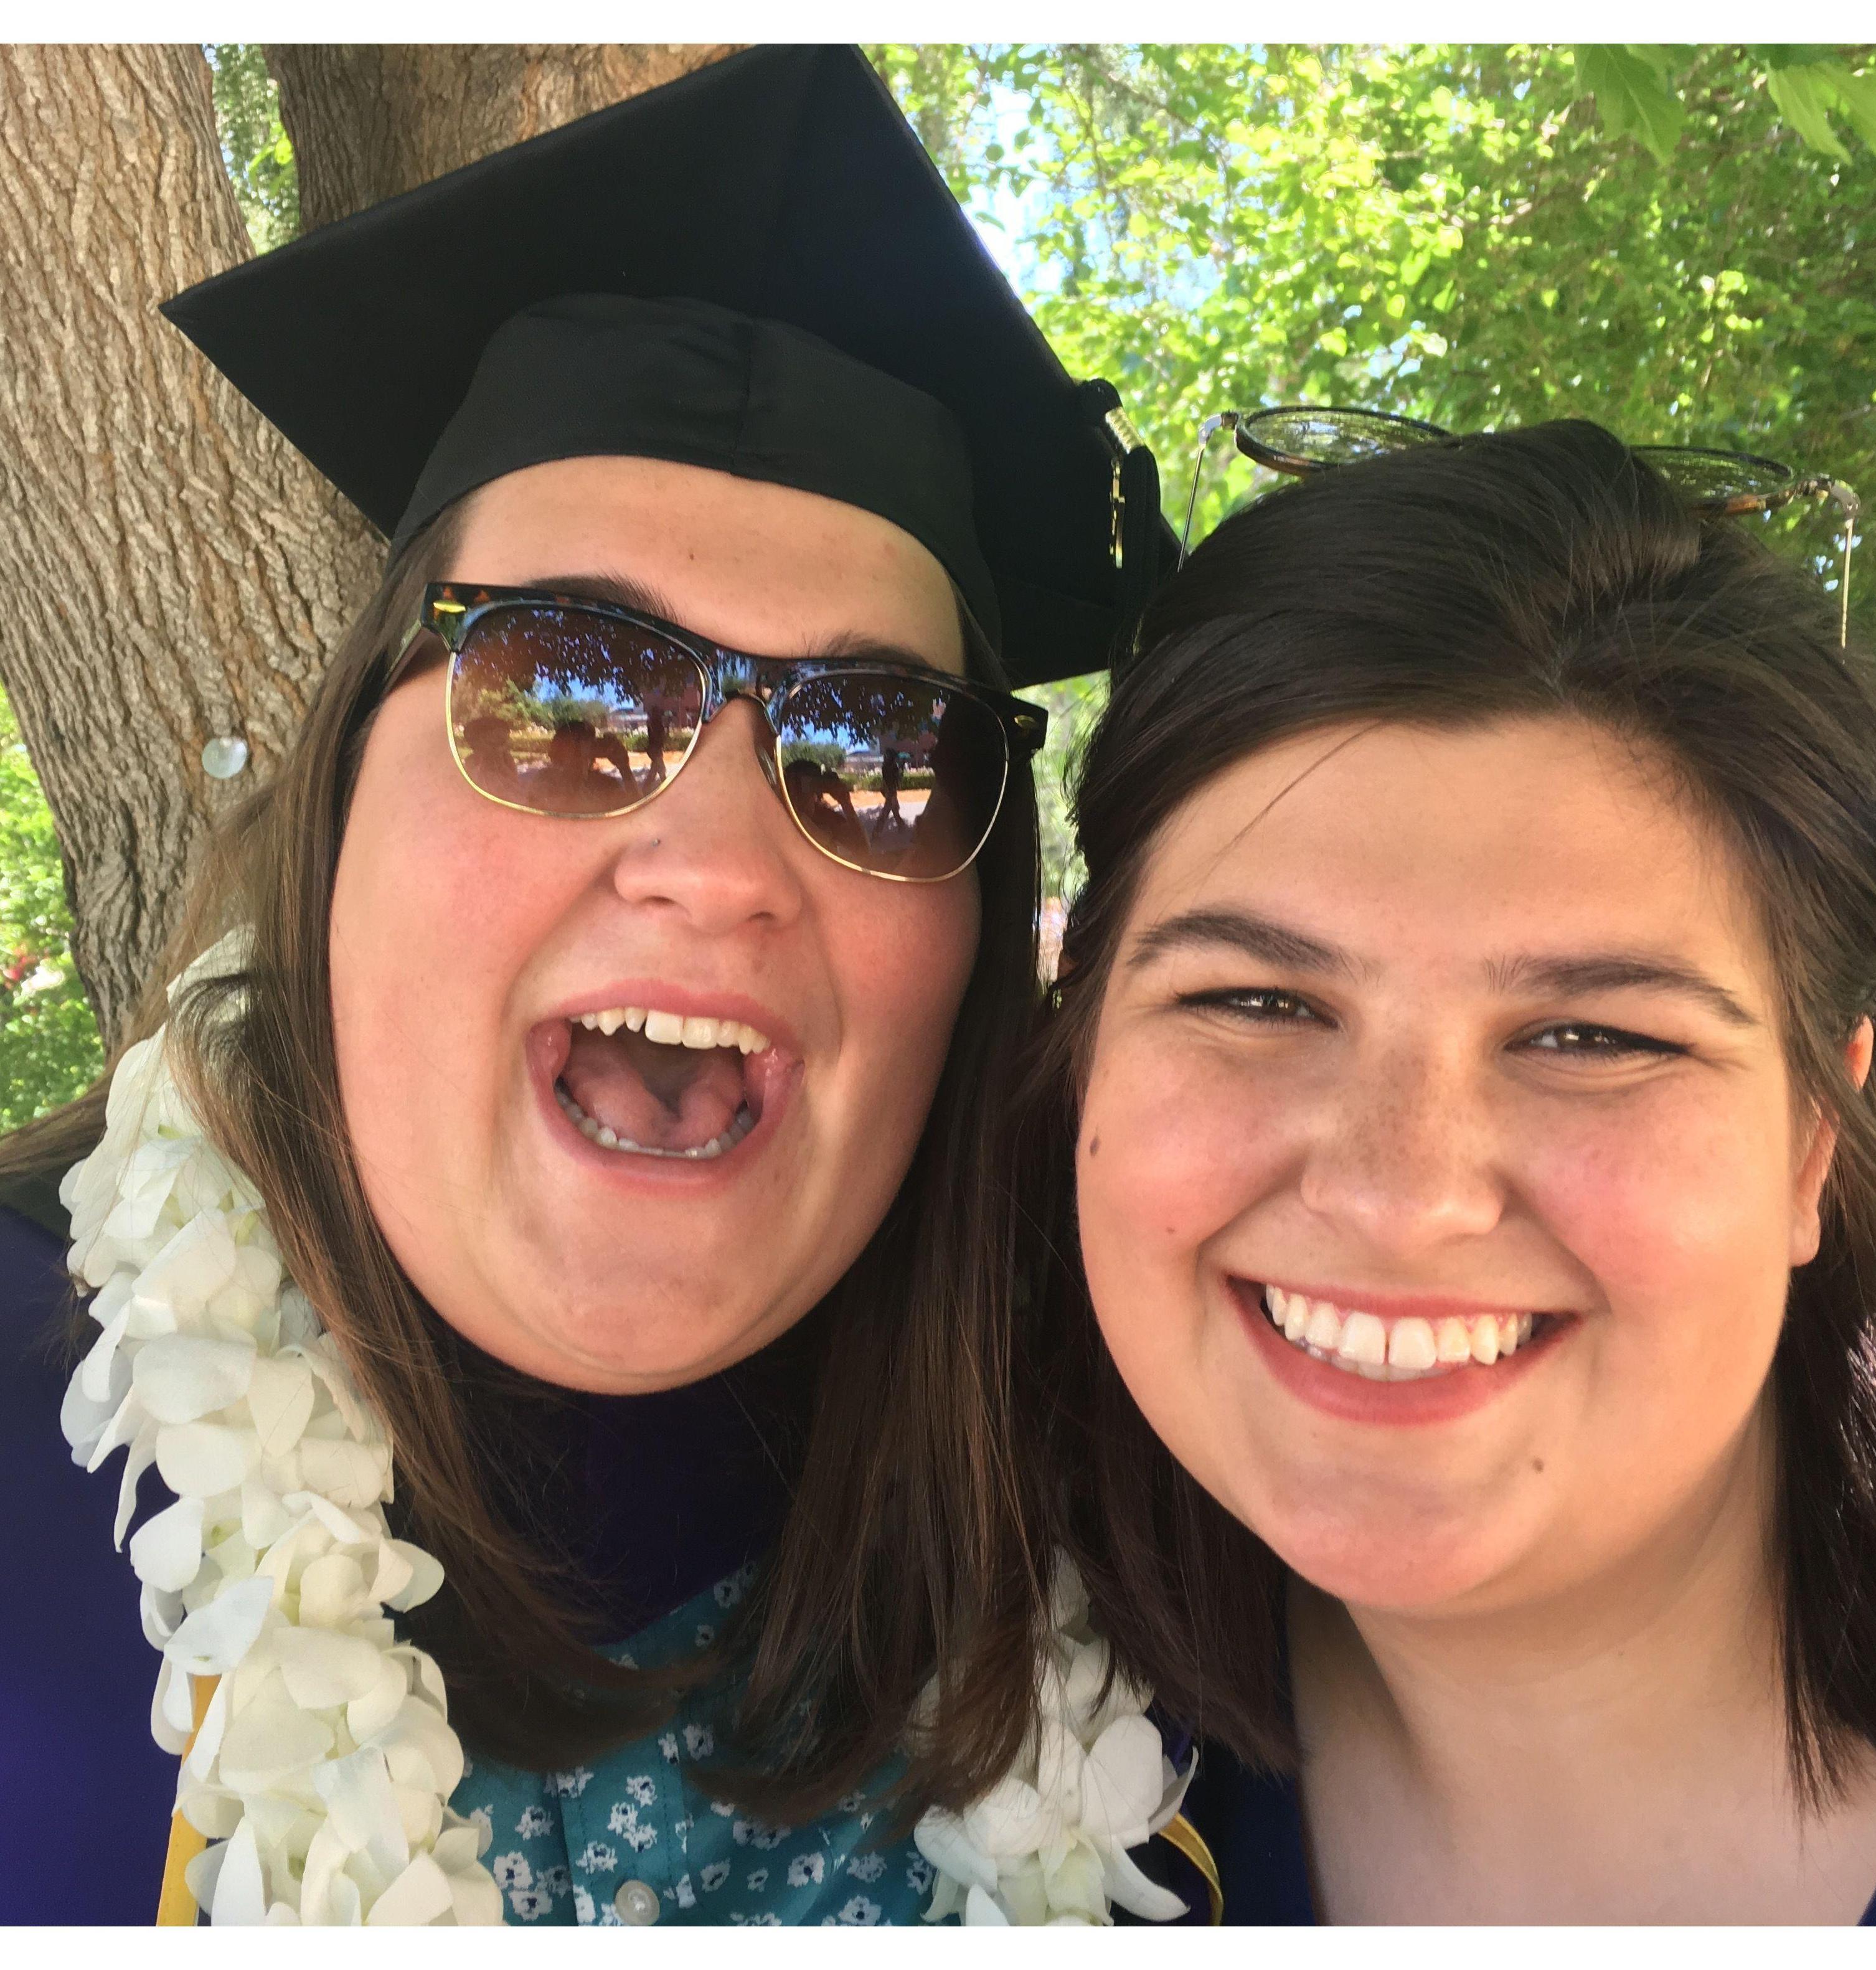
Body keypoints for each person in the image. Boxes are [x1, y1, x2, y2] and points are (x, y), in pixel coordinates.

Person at [0, 46, 1172, 1927]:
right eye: (559, 692)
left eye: (876, 746)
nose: (714, 861)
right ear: (337, 802)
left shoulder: (1178, 1513)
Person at [1018, 419, 1876, 1922]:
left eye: (1589, 1034)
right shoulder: (961, 1760)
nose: (1401, 1194)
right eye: (1256, 1003)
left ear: (1812, 1142)